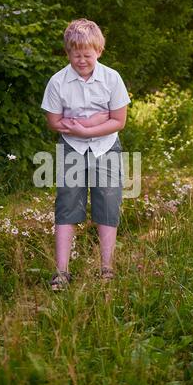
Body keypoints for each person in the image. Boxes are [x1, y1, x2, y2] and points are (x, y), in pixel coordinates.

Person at [41, 18, 130, 291]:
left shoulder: (112, 78)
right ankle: (61, 271)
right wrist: (86, 129)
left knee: (108, 202)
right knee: (67, 203)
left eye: (87, 55)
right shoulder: (58, 82)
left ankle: (106, 268)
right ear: (67, 53)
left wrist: (86, 126)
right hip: (72, 148)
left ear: (99, 52)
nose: (82, 60)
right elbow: (54, 121)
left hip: (107, 148)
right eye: (76, 54)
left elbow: (119, 121)